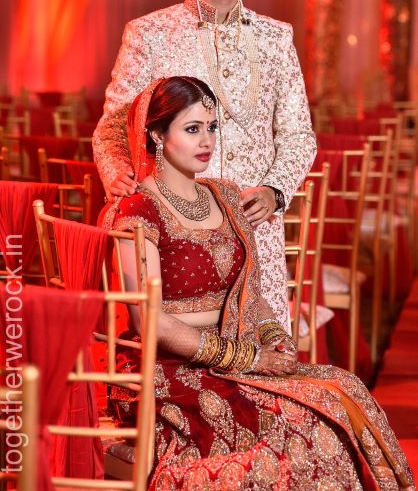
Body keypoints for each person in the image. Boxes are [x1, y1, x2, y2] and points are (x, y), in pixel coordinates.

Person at [100, 77, 414, 491]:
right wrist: (245, 358)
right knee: (294, 432)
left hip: (238, 354)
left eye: (212, 127)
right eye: (192, 129)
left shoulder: (225, 197)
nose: (206, 140)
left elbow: (250, 292)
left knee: (345, 390)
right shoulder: (138, 211)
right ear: (157, 135)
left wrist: (272, 335)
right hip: (171, 370)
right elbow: (150, 322)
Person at [93, 0, 317, 332]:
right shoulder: (151, 33)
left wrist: (274, 191)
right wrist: (117, 172)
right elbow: (112, 129)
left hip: (253, 226)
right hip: (175, 226)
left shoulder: (276, 37)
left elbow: (299, 135)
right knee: (178, 344)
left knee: (262, 345)